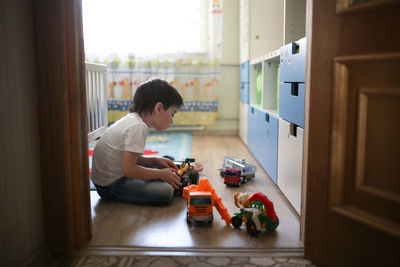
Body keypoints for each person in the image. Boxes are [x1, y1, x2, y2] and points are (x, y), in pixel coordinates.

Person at [91, 78, 184, 205]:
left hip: (115, 175)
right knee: (165, 192)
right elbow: (129, 169)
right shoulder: (138, 127)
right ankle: (165, 180)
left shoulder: (134, 120)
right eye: (172, 114)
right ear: (159, 108)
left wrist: (155, 161)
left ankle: (163, 176)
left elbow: (131, 159)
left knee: (166, 160)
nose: (172, 121)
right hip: (111, 186)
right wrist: (160, 174)